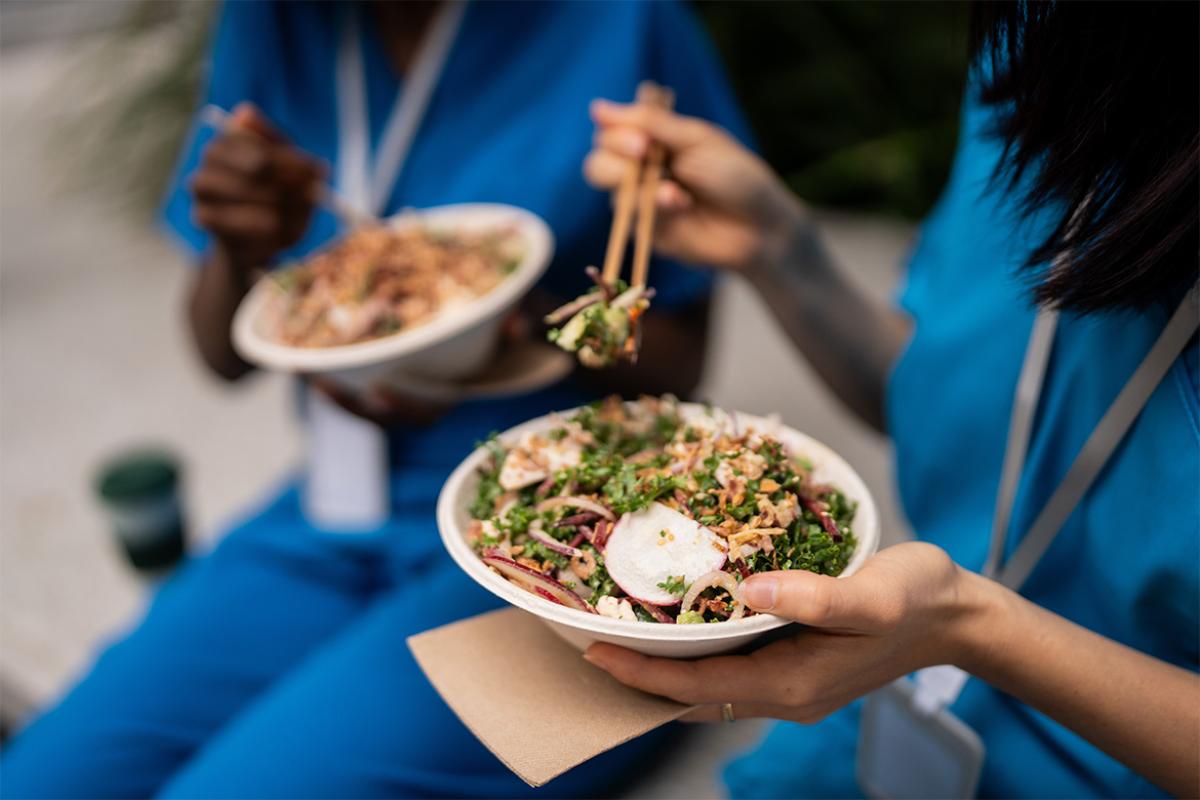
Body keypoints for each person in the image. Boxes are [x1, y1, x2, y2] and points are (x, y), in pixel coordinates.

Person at [1, 1, 749, 797]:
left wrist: (534, 324)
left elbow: (682, 359)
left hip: (556, 540)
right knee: (42, 777)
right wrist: (237, 244)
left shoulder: (624, 23)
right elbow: (225, 356)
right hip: (334, 504)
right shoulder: (275, 21)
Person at [580, 2, 1198, 798]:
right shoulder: (1054, 54)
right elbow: (956, 409)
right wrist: (777, 249)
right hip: (889, 709)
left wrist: (973, 628)